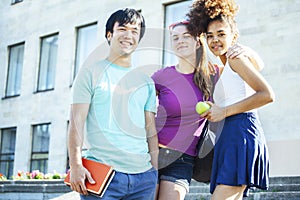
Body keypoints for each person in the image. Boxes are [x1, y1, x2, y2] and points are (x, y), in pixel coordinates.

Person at [151, 21, 262, 200]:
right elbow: (140, 107)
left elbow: (254, 70)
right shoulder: (161, 76)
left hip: (182, 159)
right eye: (175, 38)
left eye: (186, 36)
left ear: (197, 41)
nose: (180, 41)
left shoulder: (214, 73)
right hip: (153, 153)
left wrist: (248, 52)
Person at [188, 0, 275, 199]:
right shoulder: (225, 67)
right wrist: (216, 108)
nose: (215, 40)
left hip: (240, 132)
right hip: (229, 135)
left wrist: (224, 111)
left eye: (221, 34)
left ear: (234, 36)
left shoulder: (236, 58)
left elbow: (267, 94)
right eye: (210, 36)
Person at [68, 8, 158, 200]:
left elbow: (150, 130)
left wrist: (155, 173)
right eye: (123, 29)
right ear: (110, 34)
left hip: (143, 179)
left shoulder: (146, 81)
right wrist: (75, 165)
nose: (128, 35)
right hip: (102, 176)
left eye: (135, 31)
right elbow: (76, 122)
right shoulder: (89, 73)